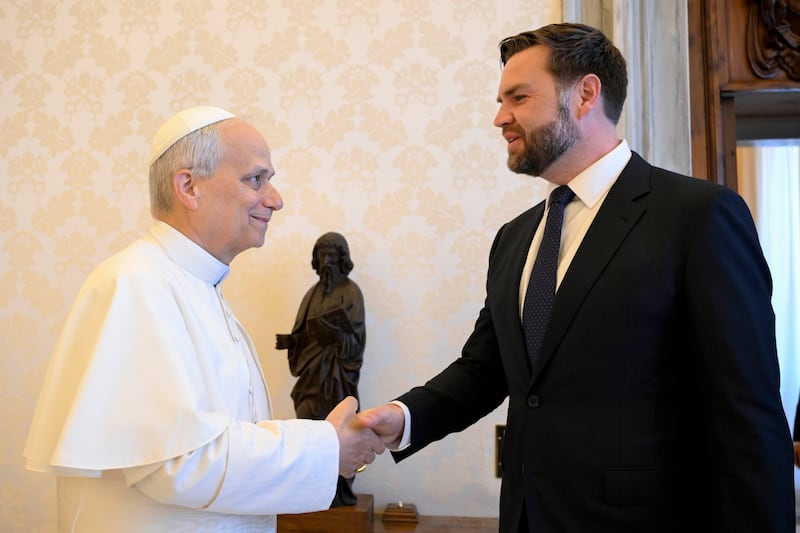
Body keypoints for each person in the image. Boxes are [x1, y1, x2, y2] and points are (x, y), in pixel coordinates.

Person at [359, 23, 794, 533]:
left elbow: (747, 416)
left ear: (586, 94)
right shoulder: (514, 238)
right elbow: (485, 369)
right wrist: (402, 416)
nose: (500, 118)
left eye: (518, 97)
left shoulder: (698, 217)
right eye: (501, 100)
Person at [23, 106, 384, 532]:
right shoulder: (138, 284)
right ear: (189, 187)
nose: (276, 198)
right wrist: (326, 448)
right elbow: (179, 462)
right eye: (256, 179)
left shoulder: (194, 283)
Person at [275, 231, 366, 507]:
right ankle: (311, 493)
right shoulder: (311, 294)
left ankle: (337, 493)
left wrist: (338, 335)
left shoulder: (351, 292)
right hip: (311, 377)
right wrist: (292, 341)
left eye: (332, 255)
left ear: (342, 258)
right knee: (307, 425)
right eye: (322, 255)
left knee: (339, 433)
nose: (326, 260)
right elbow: (304, 334)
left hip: (337, 377)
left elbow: (356, 339)